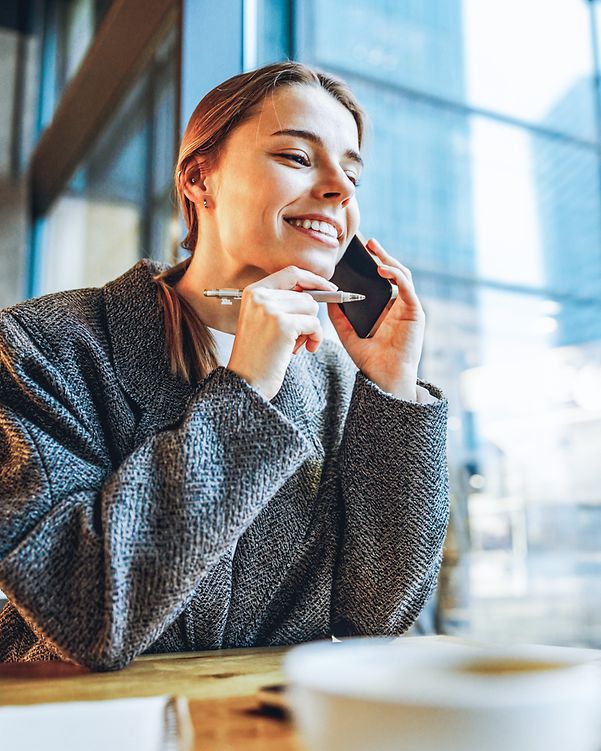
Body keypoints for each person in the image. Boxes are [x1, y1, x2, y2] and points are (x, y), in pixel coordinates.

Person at [0, 62, 449, 671]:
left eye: (351, 172)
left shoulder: (342, 383)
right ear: (199, 178)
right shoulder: (39, 347)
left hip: (266, 727)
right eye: (296, 156)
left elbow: (378, 616)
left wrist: (394, 392)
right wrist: (247, 391)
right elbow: (89, 613)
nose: (339, 188)